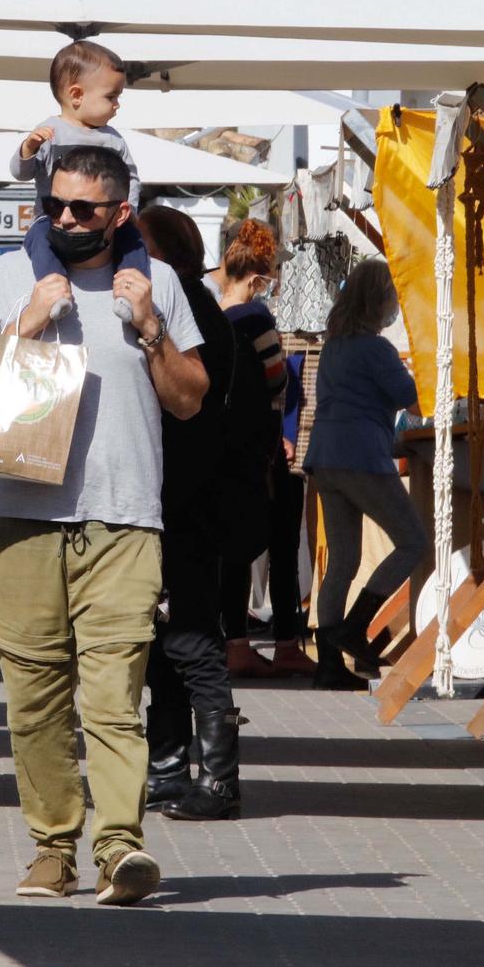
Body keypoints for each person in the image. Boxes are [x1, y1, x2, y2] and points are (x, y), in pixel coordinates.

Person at [0, 146, 207, 906]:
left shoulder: (155, 283)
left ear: (119, 212)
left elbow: (191, 398)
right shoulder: (10, 277)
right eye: (54, 204)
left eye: (83, 209)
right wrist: (27, 324)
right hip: (24, 516)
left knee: (113, 695)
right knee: (33, 699)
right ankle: (51, 848)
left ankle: (121, 846)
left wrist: (152, 327)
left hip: (126, 517)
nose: (63, 219)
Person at [134, 205, 243, 823]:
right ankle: (171, 764)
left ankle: (219, 778)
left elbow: (195, 412)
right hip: (177, 493)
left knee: (193, 637)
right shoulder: (190, 306)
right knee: (163, 638)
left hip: (187, 497)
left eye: (141, 246)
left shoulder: (191, 311)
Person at [303, 259, 430, 691]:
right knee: (412, 541)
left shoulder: (335, 345)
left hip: (324, 458)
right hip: (362, 457)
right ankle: (354, 628)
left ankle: (329, 663)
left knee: (342, 561)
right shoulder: (376, 349)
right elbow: (413, 400)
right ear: (380, 302)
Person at [208, 220, 312, 679]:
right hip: (263, 450)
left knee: (231, 546)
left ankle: (235, 641)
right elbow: (277, 379)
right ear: (256, 279)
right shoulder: (256, 319)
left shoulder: (210, 317)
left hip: (223, 446)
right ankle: (287, 644)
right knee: (283, 543)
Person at [11, 41, 149, 322]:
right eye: (111, 96)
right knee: (38, 241)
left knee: (135, 243)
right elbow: (21, 173)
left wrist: (129, 210)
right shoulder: (51, 133)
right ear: (76, 95)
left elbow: (131, 176)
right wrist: (28, 149)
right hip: (50, 220)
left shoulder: (113, 139)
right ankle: (54, 289)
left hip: (104, 222)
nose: (117, 105)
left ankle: (129, 293)